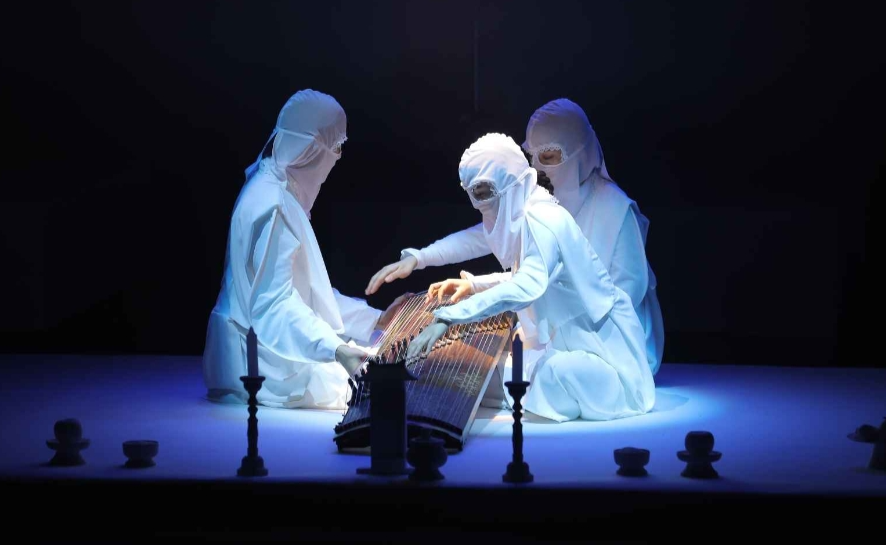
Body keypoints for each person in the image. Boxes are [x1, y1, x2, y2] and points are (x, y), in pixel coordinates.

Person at [366, 98, 664, 376]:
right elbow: (491, 242)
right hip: (562, 332)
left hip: (606, 342)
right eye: (533, 156)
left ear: (578, 150)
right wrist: (422, 258)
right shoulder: (545, 202)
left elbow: (548, 283)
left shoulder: (609, 210)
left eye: (549, 156)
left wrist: (456, 312)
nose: (539, 168)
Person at [406, 133, 655, 422]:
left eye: (483, 192)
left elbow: (529, 285)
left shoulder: (544, 218)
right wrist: (471, 283)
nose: (478, 204)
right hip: (572, 340)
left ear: (508, 181)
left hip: (607, 352)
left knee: (549, 373)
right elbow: (526, 273)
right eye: (472, 193)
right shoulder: (528, 213)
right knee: (517, 369)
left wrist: (450, 317)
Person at [203, 89, 408, 410]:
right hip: (264, 367)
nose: (338, 158)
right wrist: (336, 350)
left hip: (267, 353)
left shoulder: (271, 188)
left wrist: (377, 320)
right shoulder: (272, 203)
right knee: (395, 384)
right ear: (311, 150)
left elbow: (307, 295)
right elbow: (273, 305)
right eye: (337, 147)